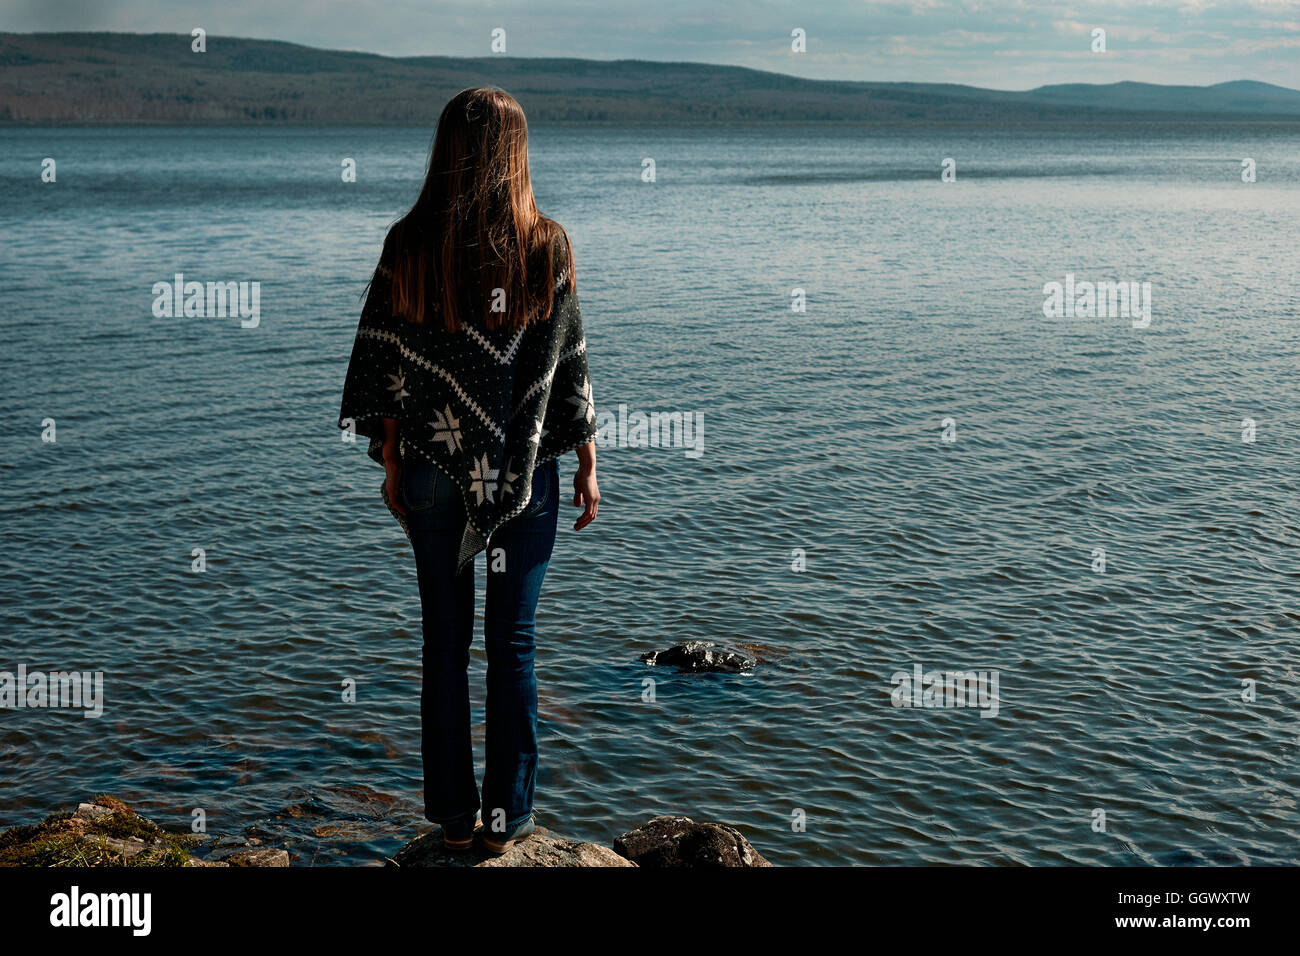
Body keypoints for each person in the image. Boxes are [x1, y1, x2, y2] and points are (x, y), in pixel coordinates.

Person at [338, 87, 600, 854]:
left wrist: (391, 459)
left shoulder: (408, 242)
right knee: (512, 644)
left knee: (443, 641)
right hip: (521, 472)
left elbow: (388, 367)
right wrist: (586, 463)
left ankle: (454, 816)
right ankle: (506, 820)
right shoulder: (546, 242)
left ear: (445, 148)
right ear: (515, 153)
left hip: (430, 467)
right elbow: (570, 372)